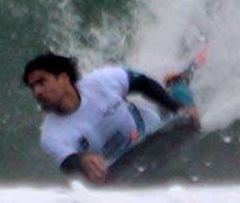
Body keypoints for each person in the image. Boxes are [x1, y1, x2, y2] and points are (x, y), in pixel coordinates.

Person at [23, 52, 199, 184]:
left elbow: (142, 82)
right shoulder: (51, 134)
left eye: (42, 82)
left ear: (63, 78)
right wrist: (82, 161)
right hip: (121, 162)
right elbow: (67, 161)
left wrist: (177, 108)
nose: (37, 92)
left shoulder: (100, 82)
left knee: (189, 119)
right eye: (33, 87)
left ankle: (177, 84)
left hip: (156, 130)